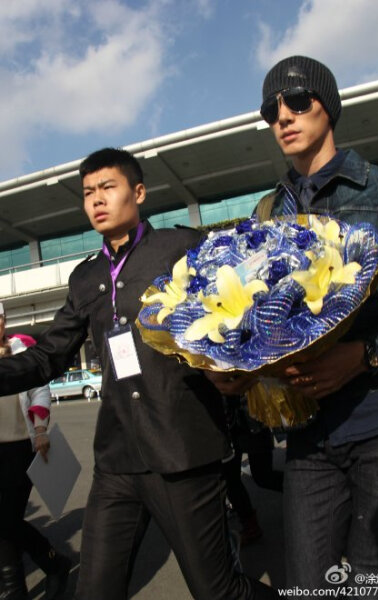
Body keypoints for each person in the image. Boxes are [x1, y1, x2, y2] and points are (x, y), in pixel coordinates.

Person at [0, 148, 277, 600]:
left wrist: (241, 369)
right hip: (116, 459)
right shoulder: (85, 278)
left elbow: (238, 310)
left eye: (108, 187)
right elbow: (47, 357)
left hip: (183, 452)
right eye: (88, 192)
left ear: (139, 192)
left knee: (218, 591)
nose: (97, 200)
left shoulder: (180, 248)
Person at [208, 56, 378, 591]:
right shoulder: (267, 212)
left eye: (298, 102)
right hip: (306, 439)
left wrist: (365, 354)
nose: (283, 117)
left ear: (329, 107)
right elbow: (258, 321)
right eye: (272, 110)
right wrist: (234, 367)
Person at [0, 304, 71, 600]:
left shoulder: (21, 347)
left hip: (19, 447)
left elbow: (39, 388)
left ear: (3, 320)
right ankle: (52, 565)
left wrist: (40, 428)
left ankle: (42, 573)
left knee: (4, 522)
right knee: (4, 524)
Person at [222, 396, 283, 546]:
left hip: (251, 411)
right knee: (230, 479)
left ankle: (310, 492)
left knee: (263, 476)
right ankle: (250, 525)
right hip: (225, 420)